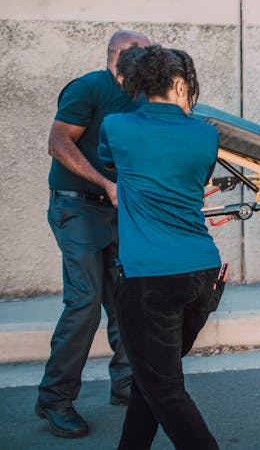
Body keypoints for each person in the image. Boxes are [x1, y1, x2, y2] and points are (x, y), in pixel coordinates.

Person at [99, 44, 223, 450]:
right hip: (202, 276)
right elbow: (196, 175)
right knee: (153, 381)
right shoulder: (207, 134)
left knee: (163, 389)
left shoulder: (117, 128)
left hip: (149, 280)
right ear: (179, 83)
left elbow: (110, 162)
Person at [36, 30, 151, 439]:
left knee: (126, 301)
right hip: (76, 205)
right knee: (84, 302)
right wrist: (104, 183)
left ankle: (125, 385)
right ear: (116, 56)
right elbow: (58, 142)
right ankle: (54, 398)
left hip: (118, 210)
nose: (146, 59)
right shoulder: (87, 88)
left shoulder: (142, 96)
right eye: (140, 53)